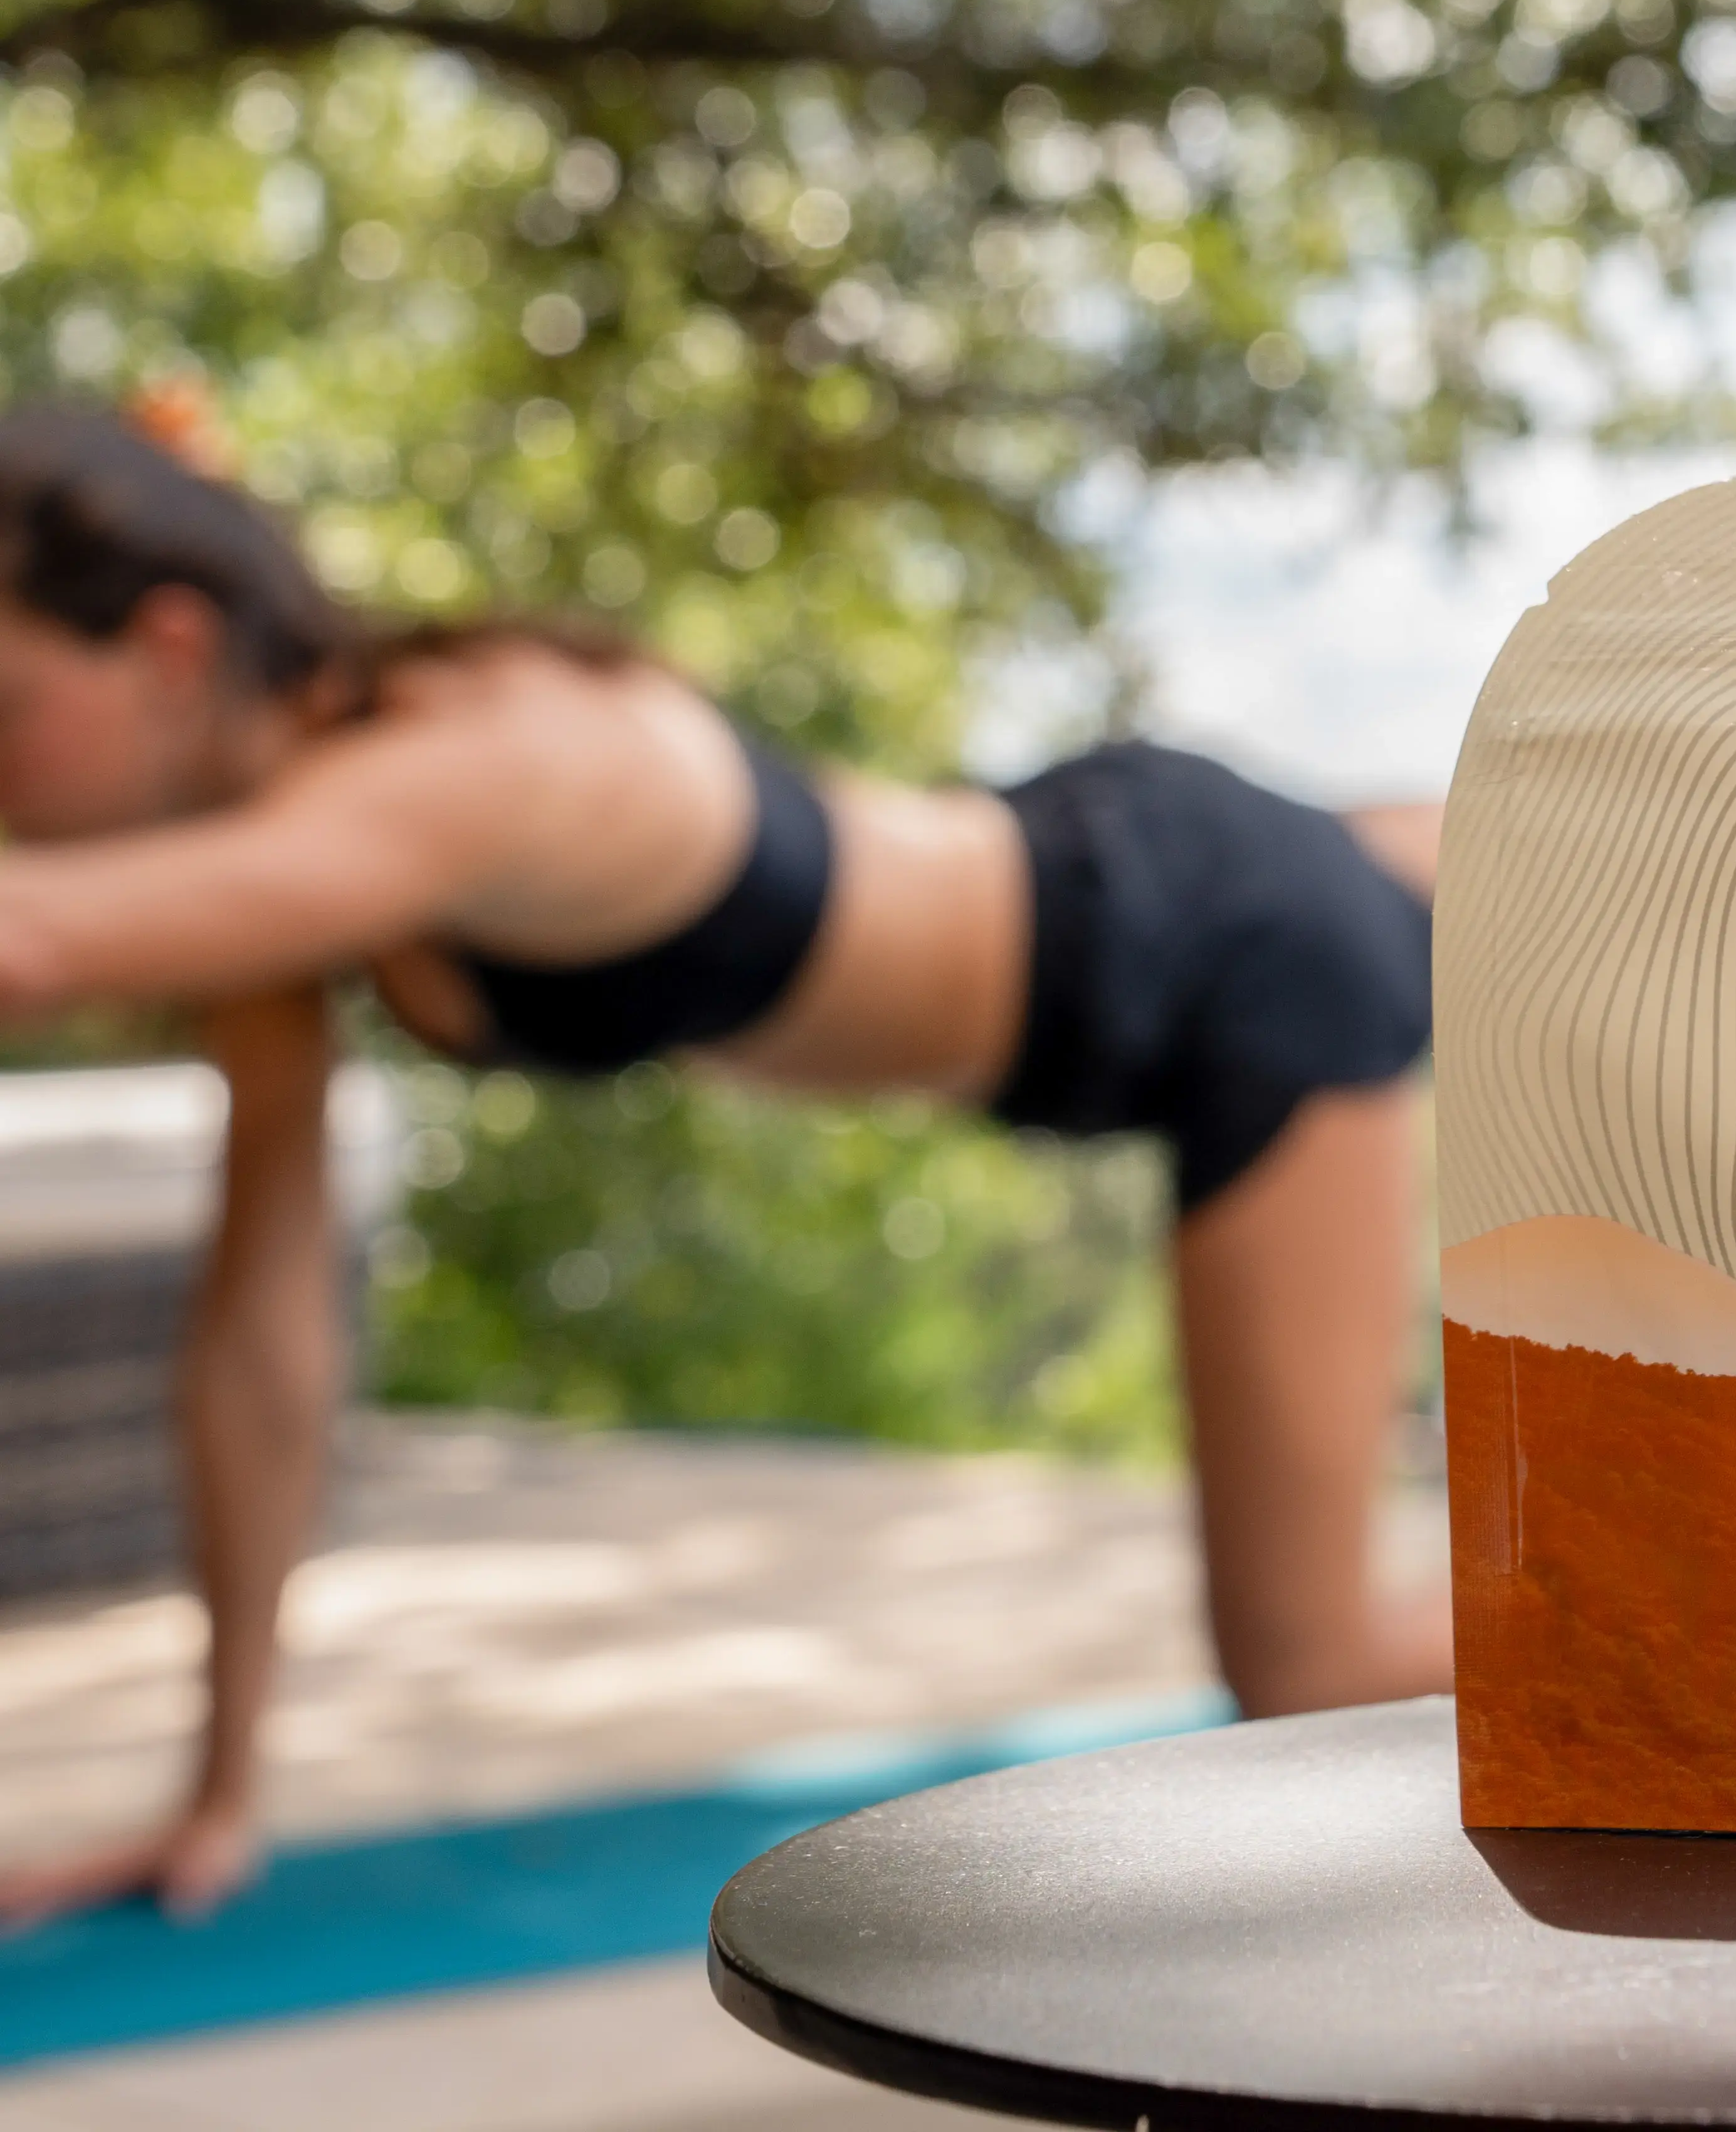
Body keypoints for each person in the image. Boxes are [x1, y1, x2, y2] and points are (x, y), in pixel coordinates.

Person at [0, 405, 1448, 1922]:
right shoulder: (308, 883)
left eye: (6, 710)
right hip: (1130, 869)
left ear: (170, 649)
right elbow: (260, 1345)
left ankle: (1651, 1589)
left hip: (1219, 955)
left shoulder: (470, 757)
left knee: (1307, 1671)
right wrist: (221, 1793)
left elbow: (31, 939)